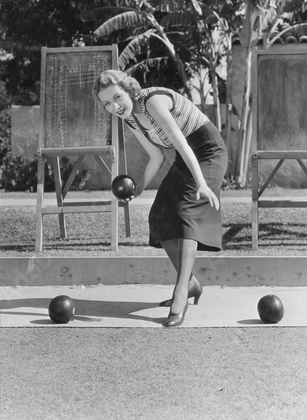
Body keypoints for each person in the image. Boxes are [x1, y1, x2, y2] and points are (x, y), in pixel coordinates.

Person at [94, 70, 228, 327]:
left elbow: (182, 143)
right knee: (159, 214)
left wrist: (201, 182)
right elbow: (157, 156)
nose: (115, 107)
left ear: (128, 89)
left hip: (207, 151)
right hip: (184, 156)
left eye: (117, 97)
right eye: (107, 104)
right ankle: (190, 283)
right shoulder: (130, 118)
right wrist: (139, 190)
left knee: (186, 211)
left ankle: (180, 294)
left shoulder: (152, 101)